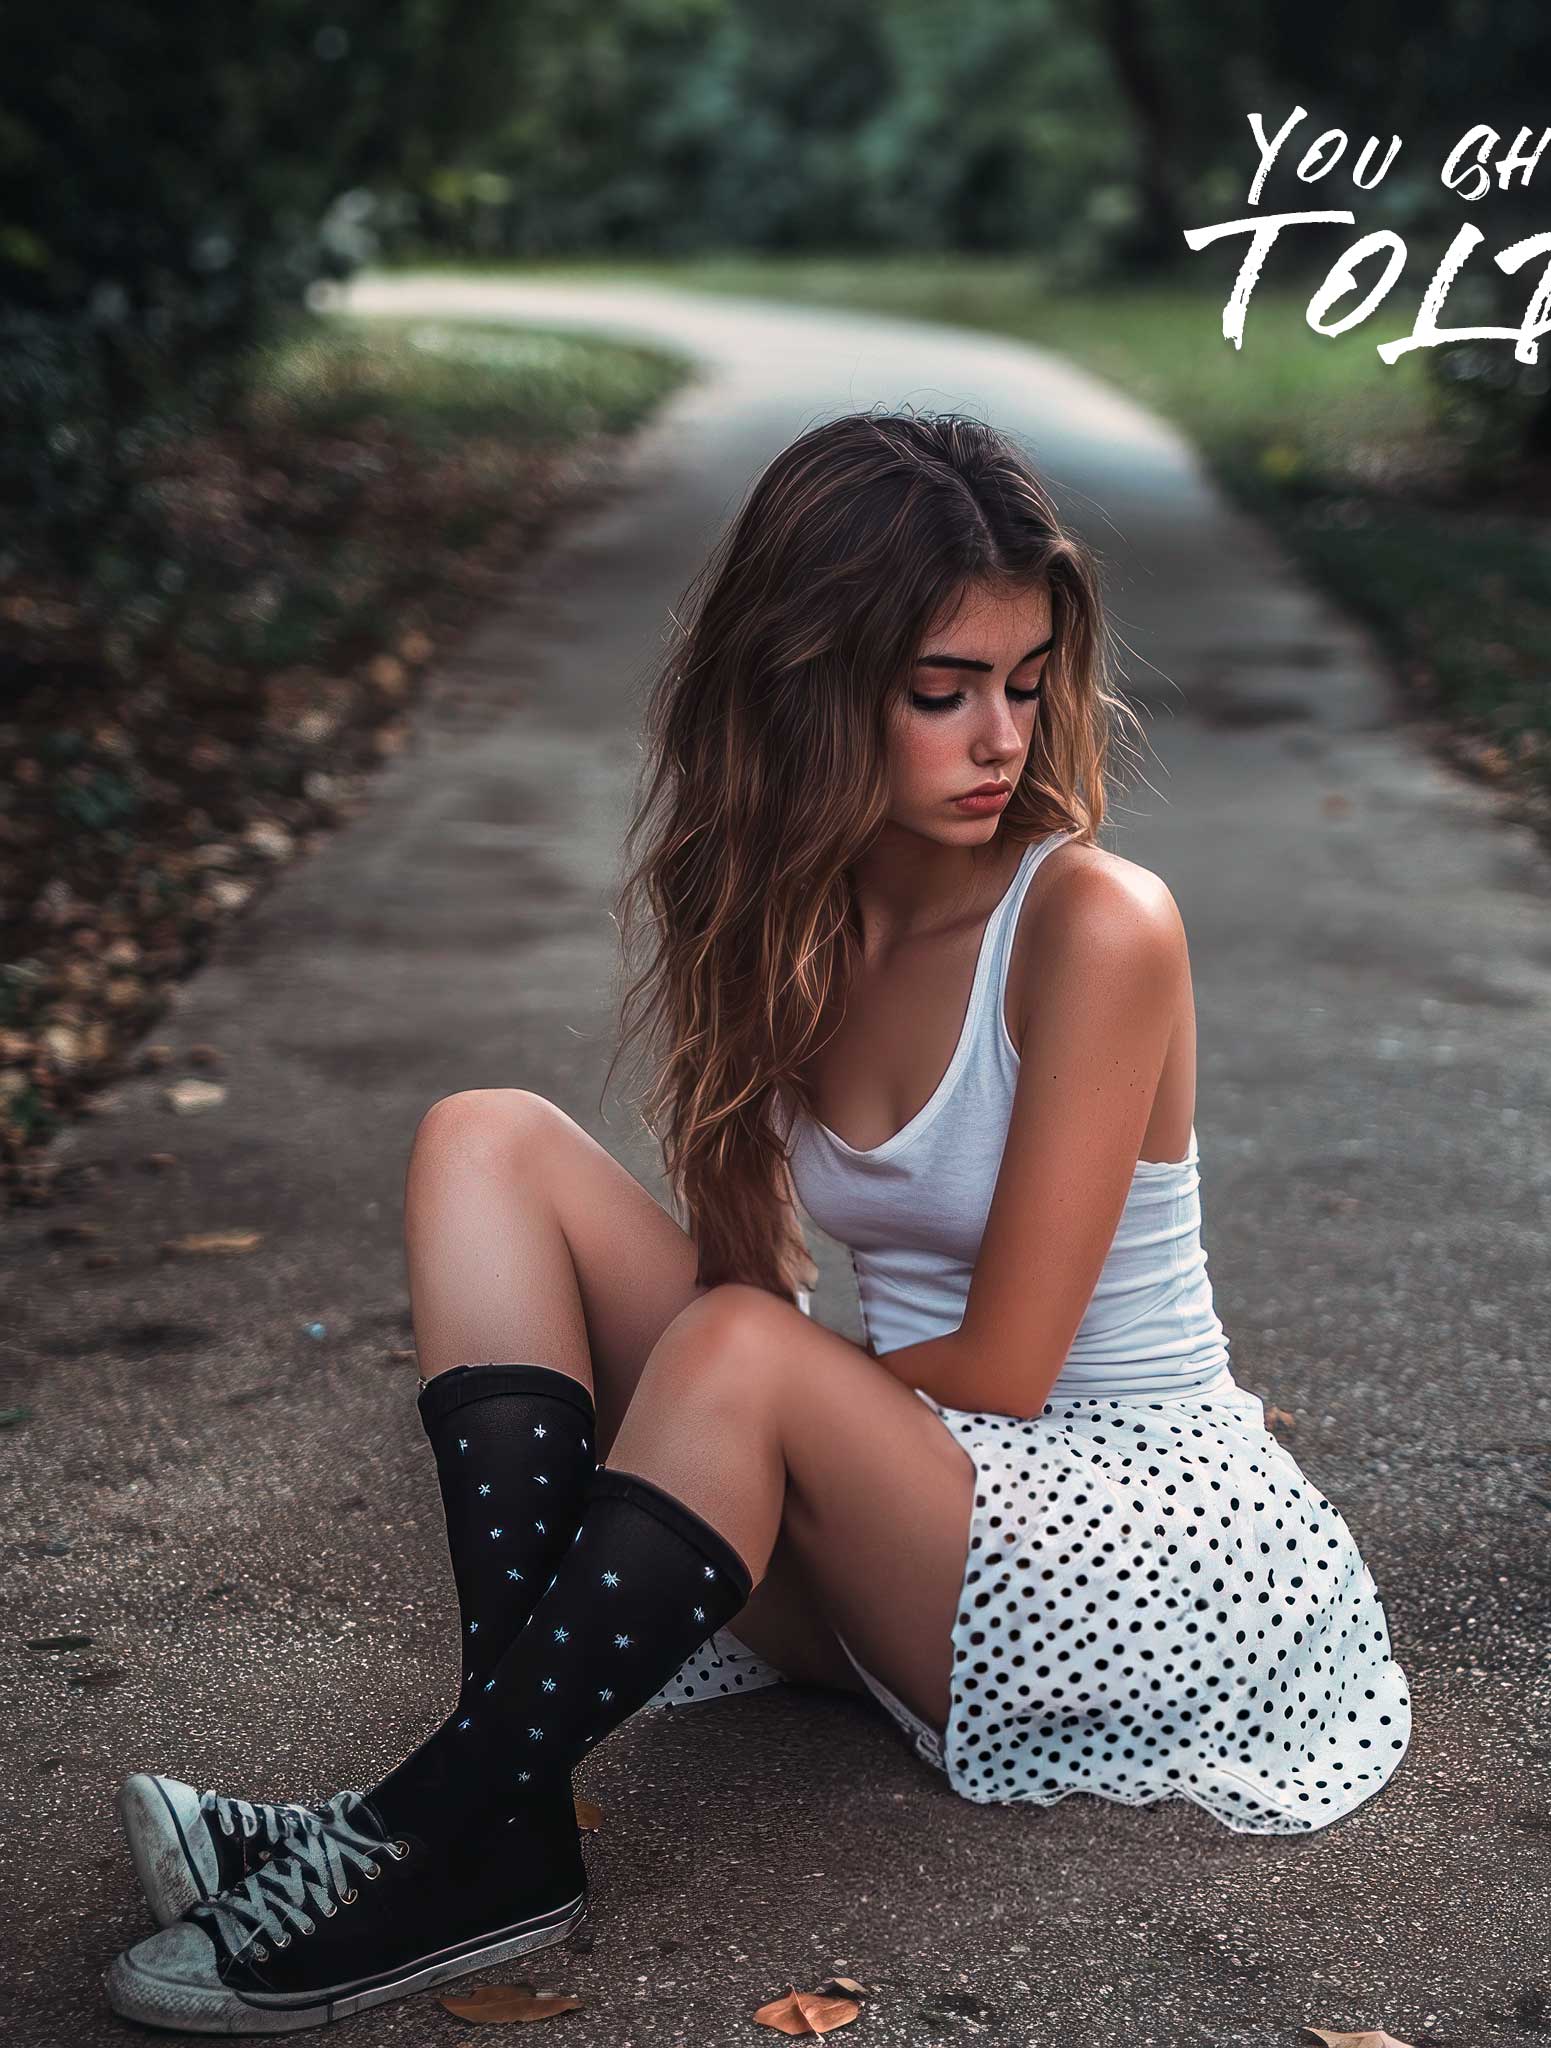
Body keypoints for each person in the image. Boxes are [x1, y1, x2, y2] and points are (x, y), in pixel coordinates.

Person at [103, 411, 1412, 2033]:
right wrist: (768, 1413)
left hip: (1134, 1555)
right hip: (912, 1515)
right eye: (939, 691)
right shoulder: (786, 913)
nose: (998, 736)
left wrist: (784, 1409)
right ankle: (491, 1822)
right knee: (485, 1142)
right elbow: (741, 1295)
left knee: (736, 1350)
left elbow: (1007, 1366)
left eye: (1024, 679)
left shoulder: (1094, 923)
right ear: (805, 682)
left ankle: (413, 1836)